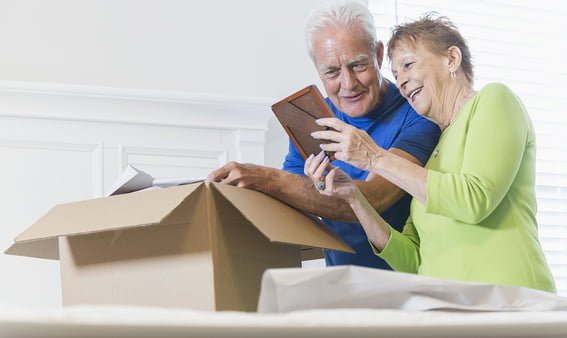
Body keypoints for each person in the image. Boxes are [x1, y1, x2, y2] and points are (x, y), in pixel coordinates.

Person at [306, 13, 556, 292]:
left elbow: (474, 199)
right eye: (397, 75)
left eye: (409, 65)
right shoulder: (434, 151)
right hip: (450, 311)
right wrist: (355, 199)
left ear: (451, 59)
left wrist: (374, 157)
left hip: (513, 304)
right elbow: (412, 258)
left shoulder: (494, 100)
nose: (401, 82)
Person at [206, 2, 440, 269]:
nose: (348, 83)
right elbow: (291, 204)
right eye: (332, 71)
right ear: (317, 69)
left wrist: (265, 178)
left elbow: (375, 198)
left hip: (410, 280)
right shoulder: (310, 118)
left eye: (358, 65)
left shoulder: (417, 113)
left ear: (377, 53)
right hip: (340, 282)